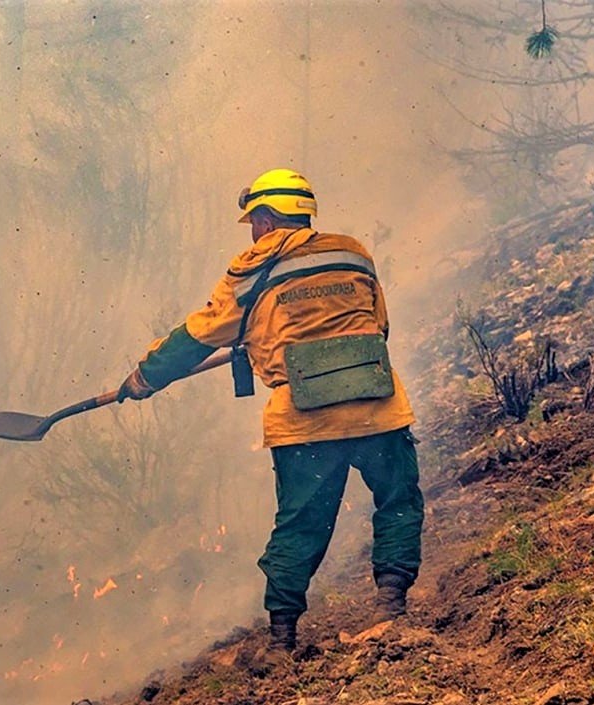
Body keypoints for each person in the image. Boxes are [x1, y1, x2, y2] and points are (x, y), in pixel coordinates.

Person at [116, 168, 424, 657]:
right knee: (398, 499)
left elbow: (199, 335)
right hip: (378, 407)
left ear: (264, 218)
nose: (254, 230)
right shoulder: (352, 252)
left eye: (254, 220)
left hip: (305, 421)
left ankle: (282, 638)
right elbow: (378, 325)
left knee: (301, 523)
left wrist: (144, 378)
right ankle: (391, 604)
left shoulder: (252, 270)